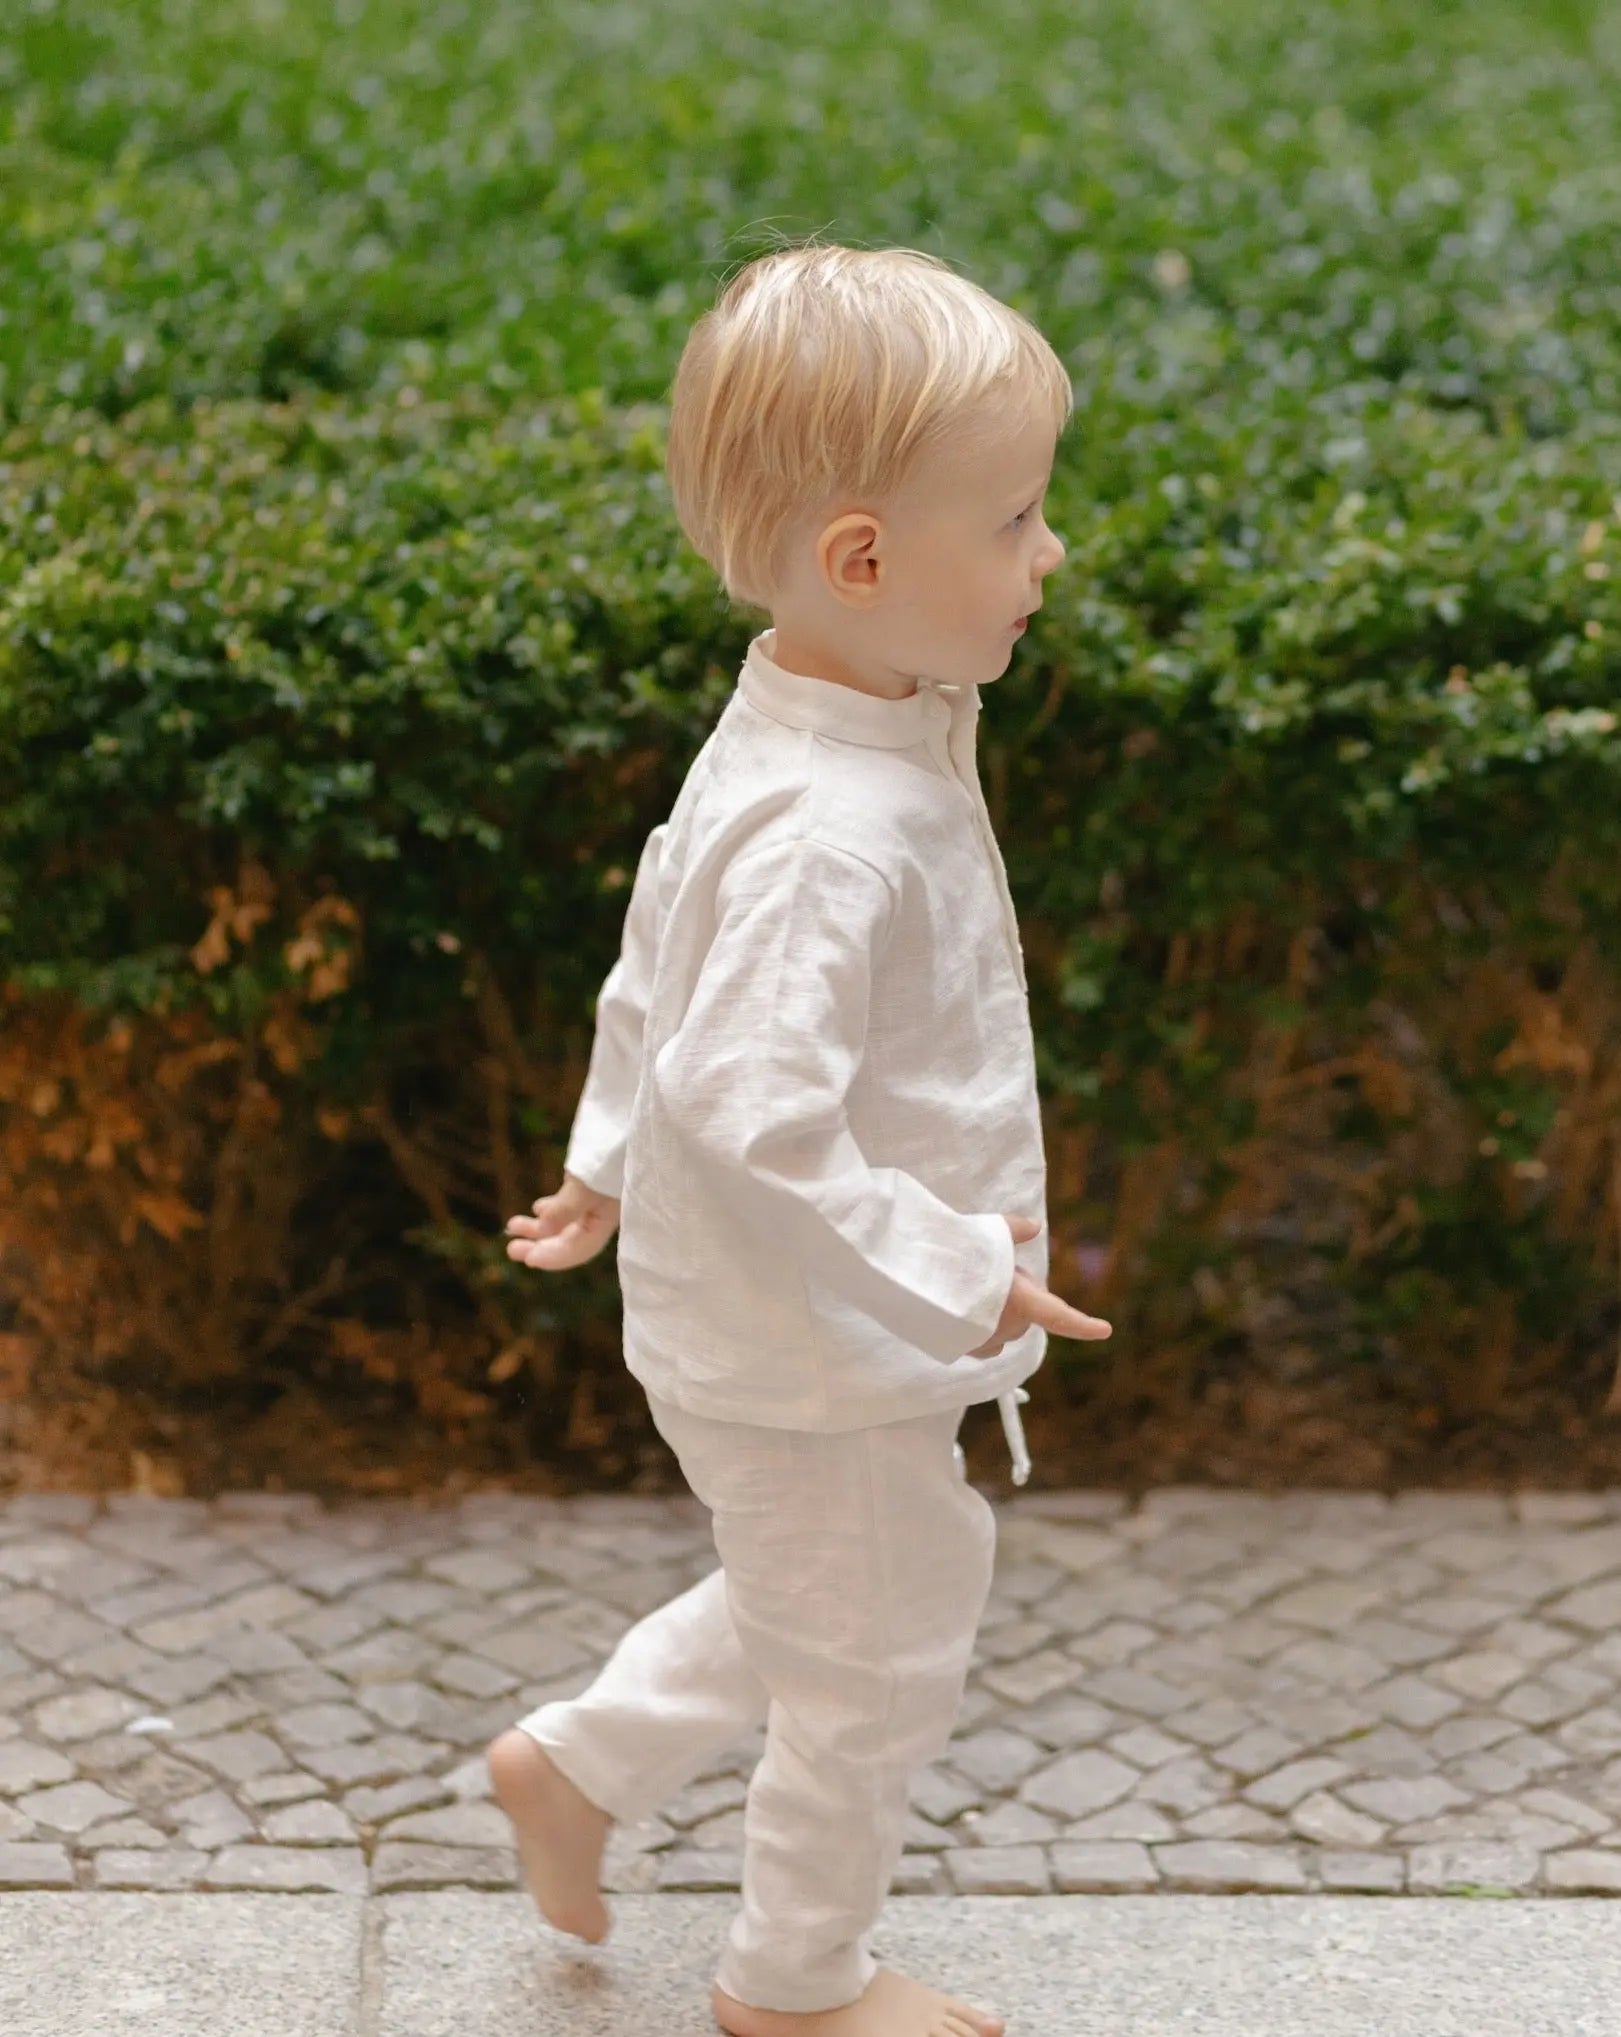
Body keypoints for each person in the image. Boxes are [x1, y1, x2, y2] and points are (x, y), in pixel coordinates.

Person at [486, 241, 1113, 2037]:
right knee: (881, 1655)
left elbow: (656, 964)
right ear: (863, 560)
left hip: (767, 1325)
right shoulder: (837, 823)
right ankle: (791, 1987)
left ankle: (581, 1763)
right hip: (807, 1338)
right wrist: (958, 1267)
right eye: (1011, 521)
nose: (1045, 554)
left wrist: (604, 1156)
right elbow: (744, 1094)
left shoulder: (806, 723)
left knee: (833, 1584)